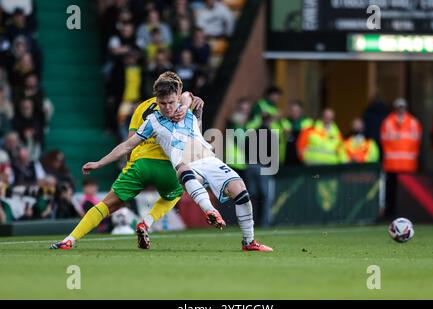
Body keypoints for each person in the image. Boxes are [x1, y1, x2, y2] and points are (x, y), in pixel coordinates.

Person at [80, 76, 272, 252]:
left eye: (171, 102)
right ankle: (210, 211)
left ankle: (249, 242)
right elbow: (126, 146)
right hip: (184, 164)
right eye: (162, 103)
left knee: (241, 191)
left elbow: (189, 98)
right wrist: (99, 163)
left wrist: (190, 106)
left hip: (209, 159)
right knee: (184, 172)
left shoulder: (185, 104)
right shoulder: (152, 121)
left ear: (177, 97)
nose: (167, 107)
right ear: (157, 101)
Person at [50, 72, 204, 250]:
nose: (168, 106)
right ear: (177, 91)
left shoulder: (142, 108)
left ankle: (70, 239)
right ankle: (146, 223)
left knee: (107, 205)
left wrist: (110, 164)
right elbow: (195, 133)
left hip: (141, 164)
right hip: (169, 167)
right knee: (176, 193)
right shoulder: (183, 104)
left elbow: (129, 142)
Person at [380, 98, 422, 218]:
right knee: (391, 191)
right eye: (398, 107)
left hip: (408, 164)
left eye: (402, 107)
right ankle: (390, 213)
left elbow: (416, 142)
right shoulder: (388, 122)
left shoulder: (413, 122)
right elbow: (384, 142)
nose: (400, 110)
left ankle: (407, 213)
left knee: (406, 192)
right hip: (392, 164)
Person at [284, 100, 313, 165]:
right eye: (292, 110)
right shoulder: (285, 121)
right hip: (287, 157)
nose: (294, 113)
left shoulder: (308, 122)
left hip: (303, 156)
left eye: (297, 111)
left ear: (301, 111)